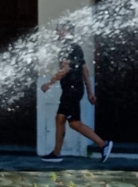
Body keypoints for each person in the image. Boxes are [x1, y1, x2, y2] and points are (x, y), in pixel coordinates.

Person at [40, 22, 113, 163]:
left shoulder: (66, 47)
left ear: (67, 31)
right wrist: (90, 92)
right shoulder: (76, 47)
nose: (57, 31)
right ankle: (56, 153)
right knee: (64, 120)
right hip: (75, 89)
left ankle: (103, 144)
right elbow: (84, 70)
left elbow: (65, 69)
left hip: (71, 90)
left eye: (60, 29)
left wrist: (49, 84)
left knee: (71, 122)